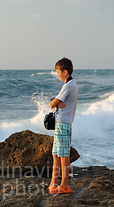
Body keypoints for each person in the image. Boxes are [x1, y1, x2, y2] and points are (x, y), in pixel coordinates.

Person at [48, 57, 78, 194]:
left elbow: (52, 104)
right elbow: (56, 102)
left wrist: (56, 103)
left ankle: (65, 185)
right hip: (62, 124)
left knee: (64, 155)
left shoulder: (68, 86)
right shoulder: (71, 85)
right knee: (56, 154)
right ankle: (53, 183)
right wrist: (57, 103)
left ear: (65, 72)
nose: (57, 74)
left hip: (63, 124)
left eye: (58, 72)